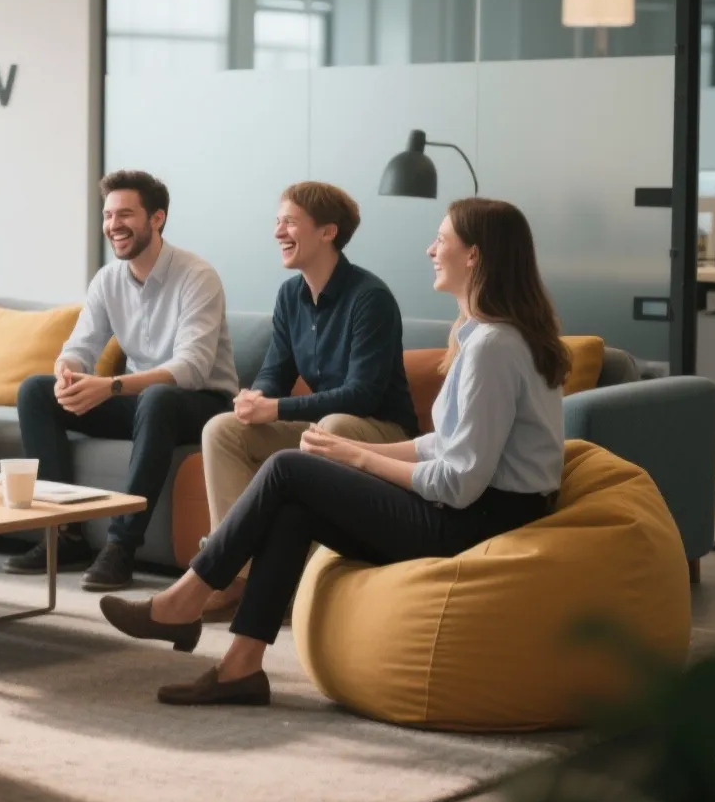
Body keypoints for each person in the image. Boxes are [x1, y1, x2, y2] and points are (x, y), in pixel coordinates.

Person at [100, 198, 567, 707]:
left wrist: (361, 458)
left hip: (475, 523)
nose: (431, 249)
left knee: (287, 470)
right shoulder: (485, 337)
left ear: (474, 255)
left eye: (442, 240)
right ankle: (240, 668)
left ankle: (184, 599)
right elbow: (446, 443)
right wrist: (349, 448)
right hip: (476, 510)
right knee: (294, 506)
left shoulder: (492, 347)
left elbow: (458, 482)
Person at [196, 183, 419, 623]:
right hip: (326, 426)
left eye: (290, 221)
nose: (278, 230)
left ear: (327, 232)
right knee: (221, 429)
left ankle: (305, 586)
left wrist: (276, 410)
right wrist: (255, 396)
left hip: (381, 432)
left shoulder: (369, 298)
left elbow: (363, 395)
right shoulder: (289, 296)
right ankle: (235, 576)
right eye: (278, 221)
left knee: (332, 429)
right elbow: (275, 372)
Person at [7, 170, 236, 592]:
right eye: (109, 215)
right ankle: (64, 534)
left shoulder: (196, 275)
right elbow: (81, 344)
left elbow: (192, 368)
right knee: (36, 392)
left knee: (159, 399)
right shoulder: (108, 280)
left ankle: (122, 548)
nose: (114, 225)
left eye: (126, 214)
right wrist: (67, 370)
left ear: (157, 219)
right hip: (143, 404)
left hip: (200, 403)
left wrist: (109, 387)